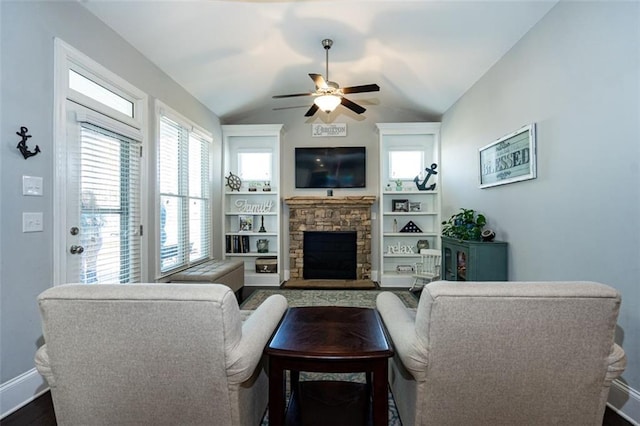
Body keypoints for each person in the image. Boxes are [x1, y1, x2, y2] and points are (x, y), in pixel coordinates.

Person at [80, 190, 104, 283]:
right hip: (83, 239)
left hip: (95, 239)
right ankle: (81, 283)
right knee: (80, 263)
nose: (84, 199)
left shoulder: (96, 210)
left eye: (87, 197)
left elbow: (103, 222)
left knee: (91, 262)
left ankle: (92, 283)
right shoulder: (79, 211)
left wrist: (96, 221)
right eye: (83, 197)